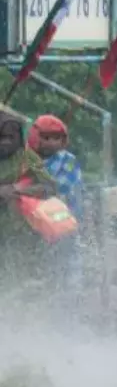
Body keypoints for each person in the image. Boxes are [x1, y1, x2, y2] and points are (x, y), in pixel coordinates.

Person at [0, 111, 59, 282]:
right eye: (1, 137)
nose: (6, 143)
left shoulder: (26, 157)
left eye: (11, 138)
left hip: (23, 231)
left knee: (25, 281)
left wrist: (17, 190)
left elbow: (50, 187)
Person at [26, 114, 84, 223]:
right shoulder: (26, 159)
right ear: (34, 137)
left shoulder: (70, 160)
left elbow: (62, 186)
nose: (51, 142)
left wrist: (30, 189)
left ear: (63, 140)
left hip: (65, 215)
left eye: (56, 138)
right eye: (46, 138)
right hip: (35, 216)